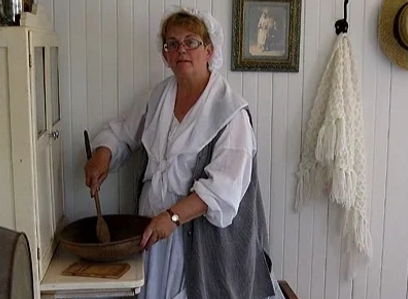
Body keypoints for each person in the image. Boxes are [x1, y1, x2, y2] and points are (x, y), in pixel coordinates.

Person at [84, 6, 285, 299]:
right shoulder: (159, 96)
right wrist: (103, 155)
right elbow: (123, 134)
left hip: (200, 239)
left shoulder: (230, 112)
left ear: (209, 50)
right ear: (165, 55)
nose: (182, 50)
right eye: (172, 44)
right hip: (154, 231)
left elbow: (222, 190)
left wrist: (173, 218)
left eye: (191, 41)